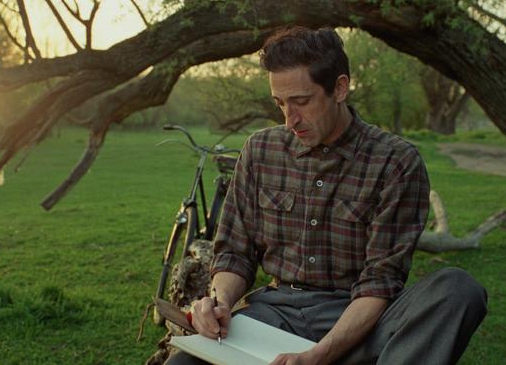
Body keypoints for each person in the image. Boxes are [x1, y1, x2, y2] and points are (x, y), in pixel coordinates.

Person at [165, 26, 487, 365]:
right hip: (275, 316)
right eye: (280, 103)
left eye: (302, 102)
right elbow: (234, 252)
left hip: (361, 319)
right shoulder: (260, 150)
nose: (290, 120)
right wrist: (218, 303)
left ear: (340, 88)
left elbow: (381, 282)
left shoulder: (395, 162)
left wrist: (318, 356)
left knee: (457, 289)